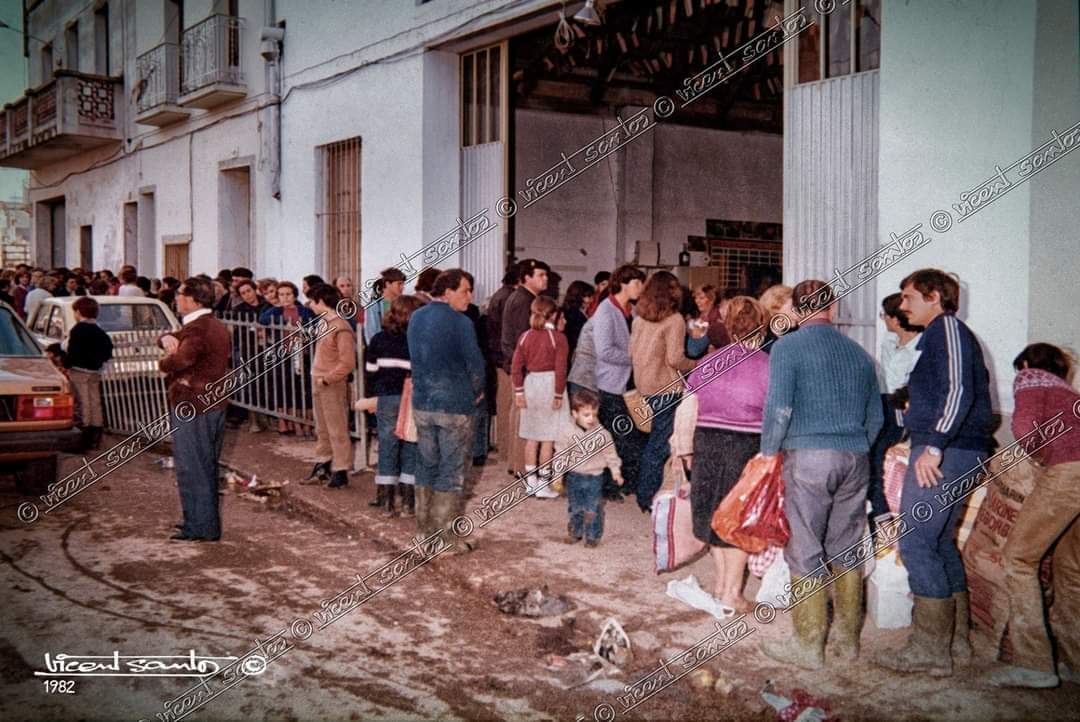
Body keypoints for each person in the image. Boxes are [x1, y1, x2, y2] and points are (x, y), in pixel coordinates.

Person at [758, 279, 883, 671]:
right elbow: (877, 418)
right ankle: (847, 643)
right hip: (855, 456)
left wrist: (767, 452)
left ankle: (808, 645)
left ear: (796, 309)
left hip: (810, 457)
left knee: (806, 546)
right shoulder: (862, 357)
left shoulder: (787, 347)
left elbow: (779, 407)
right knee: (847, 545)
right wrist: (856, 445)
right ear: (834, 308)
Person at [876, 269, 994, 677]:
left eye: (908, 297)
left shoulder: (948, 330)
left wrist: (934, 446)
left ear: (933, 296)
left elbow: (960, 390)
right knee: (940, 542)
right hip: (954, 449)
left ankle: (929, 651)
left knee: (914, 541)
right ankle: (955, 641)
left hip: (950, 451)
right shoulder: (937, 337)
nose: (903, 305)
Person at [990, 344, 1080, 688]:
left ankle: (1035, 665)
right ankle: (1075, 662)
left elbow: (1025, 427)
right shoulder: (1068, 391)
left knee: (1018, 559)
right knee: (1071, 570)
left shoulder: (1030, 377)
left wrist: (1042, 459)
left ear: (1026, 363)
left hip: (1068, 473)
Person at [683, 297, 770, 613]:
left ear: (728, 326)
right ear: (761, 325)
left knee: (713, 517)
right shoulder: (767, 365)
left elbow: (688, 406)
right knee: (737, 519)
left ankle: (722, 585)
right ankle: (731, 593)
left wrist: (683, 449)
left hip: (707, 442)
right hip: (746, 447)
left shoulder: (709, 362)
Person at [407, 269, 485, 551]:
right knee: (452, 470)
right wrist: (476, 394)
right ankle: (447, 540)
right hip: (455, 405)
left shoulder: (416, 317)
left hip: (423, 404)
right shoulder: (461, 322)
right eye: (465, 290)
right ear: (448, 291)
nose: (469, 296)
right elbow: (476, 365)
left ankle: (423, 535)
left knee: (427, 465)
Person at [158, 277, 232, 542]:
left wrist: (164, 364)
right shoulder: (213, 324)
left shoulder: (197, 329)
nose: (177, 299)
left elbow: (183, 358)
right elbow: (177, 340)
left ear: (192, 299)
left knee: (192, 467)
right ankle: (203, 523)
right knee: (206, 465)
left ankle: (199, 527)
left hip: (193, 404)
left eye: (180, 295)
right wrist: (166, 337)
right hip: (213, 403)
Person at [628, 271, 708, 512]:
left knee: (650, 443)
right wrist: (697, 363)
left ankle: (643, 494)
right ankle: (648, 498)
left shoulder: (638, 318)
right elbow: (675, 359)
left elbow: (631, 352)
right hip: (666, 388)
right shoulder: (674, 320)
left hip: (644, 386)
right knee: (660, 445)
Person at [363, 295, 423, 514]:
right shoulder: (418, 341)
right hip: (411, 399)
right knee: (410, 445)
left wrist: (372, 398)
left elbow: (370, 372)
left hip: (385, 397)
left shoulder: (378, 339)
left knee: (387, 445)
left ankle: (386, 499)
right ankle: (408, 501)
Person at [868, 293, 924, 522]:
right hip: (881, 402)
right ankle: (876, 509)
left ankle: (882, 514)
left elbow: (901, 385)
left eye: (884, 315)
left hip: (900, 407)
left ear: (894, 318)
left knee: (876, 455)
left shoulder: (920, 347)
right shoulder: (889, 340)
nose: (882, 320)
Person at [594, 264, 647, 502]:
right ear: (623, 284)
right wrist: (634, 357)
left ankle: (627, 483)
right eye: (637, 283)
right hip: (612, 385)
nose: (641, 288)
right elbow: (604, 351)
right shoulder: (605, 311)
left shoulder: (632, 310)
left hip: (630, 385)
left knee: (631, 437)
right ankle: (608, 487)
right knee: (615, 439)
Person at [511, 295, 569, 499]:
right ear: (553, 314)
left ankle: (530, 483)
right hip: (550, 385)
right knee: (548, 438)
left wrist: (518, 391)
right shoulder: (558, 338)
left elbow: (516, 366)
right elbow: (561, 369)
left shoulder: (525, 336)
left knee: (531, 437)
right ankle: (543, 484)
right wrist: (558, 394)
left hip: (531, 384)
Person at [500, 259, 550, 477]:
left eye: (545, 275)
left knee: (519, 416)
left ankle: (516, 463)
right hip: (526, 370)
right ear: (526, 277)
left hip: (519, 367)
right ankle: (522, 466)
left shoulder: (521, 297)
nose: (545, 279)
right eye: (540, 275)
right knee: (525, 420)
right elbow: (525, 339)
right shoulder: (525, 301)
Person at [305, 284, 357, 490]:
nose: (309, 304)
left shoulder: (341, 327)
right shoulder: (324, 323)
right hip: (319, 380)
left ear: (321, 302)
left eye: (312, 300)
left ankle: (341, 469)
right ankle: (323, 463)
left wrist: (327, 379)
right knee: (322, 427)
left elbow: (347, 362)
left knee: (337, 428)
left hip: (331, 384)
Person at [556, 389, 622, 546]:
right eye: (586, 415)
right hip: (574, 476)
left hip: (595, 477)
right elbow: (561, 455)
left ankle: (592, 537)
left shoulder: (603, 434)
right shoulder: (566, 432)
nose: (591, 418)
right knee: (575, 507)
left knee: (592, 508)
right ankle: (575, 532)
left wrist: (616, 472)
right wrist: (557, 476)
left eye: (594, 413)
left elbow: (610, 454)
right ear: (575, 413)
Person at [259, 281, 316, 436]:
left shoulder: (305, 311)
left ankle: (303, 422)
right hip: (282, 355)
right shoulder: (273, 312)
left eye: (288, 294)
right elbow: (261, 321)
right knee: (282, 387)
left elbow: (314, 326)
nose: (285, 298)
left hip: (302, 354)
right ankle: (284, 421)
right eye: (281, 295)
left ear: (294, 295)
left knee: (301, 388)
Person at [62, 297, 113, 450]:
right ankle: (96, 435)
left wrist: (66, 364)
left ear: (78, 312)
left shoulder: (78, 330)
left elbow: (72, 351)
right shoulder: (99, 331)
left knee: (83, 402)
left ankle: (84, 436)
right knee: (94, 401)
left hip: (79, 370)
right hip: (94, 370)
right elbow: (107, 349)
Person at [486, 264, 519, 468]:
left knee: (504, 406)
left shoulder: (499, 296)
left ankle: (504, 450)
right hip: (505, 361)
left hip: (498, 359)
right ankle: (506, 452)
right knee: (508, 407)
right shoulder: (510, 298)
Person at [363, 268, 406, 344]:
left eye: (403, 284)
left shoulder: (402, 303)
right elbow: (371, 332)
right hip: (381, 350)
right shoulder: (375, 304)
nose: (402, 287)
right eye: (399, 284)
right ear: (388, 284)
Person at [561, 280, 594, 363]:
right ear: (578, 297)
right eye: (588, 297)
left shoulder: (568, 311)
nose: (591, 300)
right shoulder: (575, 314)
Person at [693, 284, 732, 351]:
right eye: (696, 298)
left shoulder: (717, 318)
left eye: (701, 298)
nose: (697, 301)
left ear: (712, 299)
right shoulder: (701, 316)